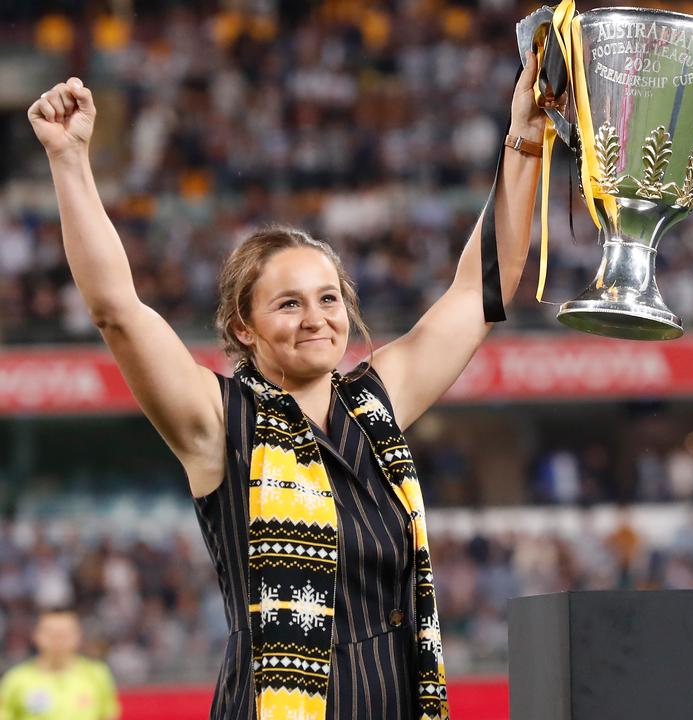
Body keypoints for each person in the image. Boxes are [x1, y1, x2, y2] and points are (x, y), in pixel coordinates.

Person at [27, 53, 545, 720]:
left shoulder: (374, 406)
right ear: (242, 328)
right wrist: (70, 162)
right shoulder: (219, 422)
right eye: (288, 304)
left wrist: (524, 135)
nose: (316, 319)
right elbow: (117, 311)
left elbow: (483, 289)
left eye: (328, 298)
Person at [0, 607, 120, 720]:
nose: (58, 639)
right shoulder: (16, 679)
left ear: (78, 636)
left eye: (64, 633)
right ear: (36, 636)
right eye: (51, 633)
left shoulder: (97, 674)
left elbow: (108, 715)